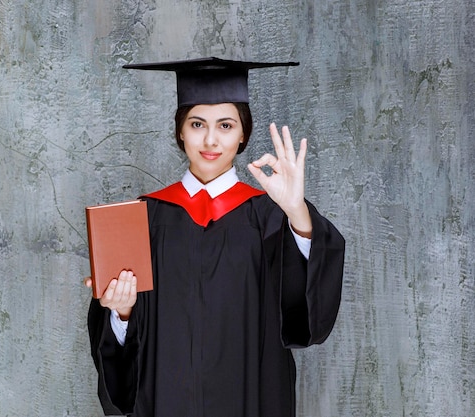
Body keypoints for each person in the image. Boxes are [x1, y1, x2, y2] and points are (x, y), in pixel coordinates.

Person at [85, 57, 345, 417]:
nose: (210, 139)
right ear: (180, 131)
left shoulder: (269, 218)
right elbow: (123, 363)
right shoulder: (146, 219)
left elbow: (303, 318)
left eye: (225, 125)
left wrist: (297, 212)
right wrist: (122, 312)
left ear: (243, 133)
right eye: (197, 124)